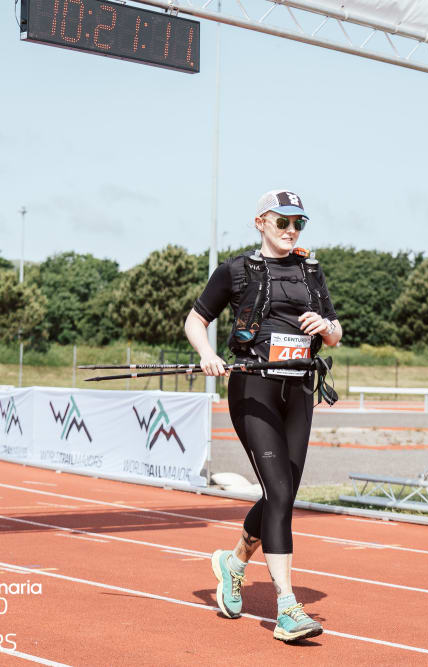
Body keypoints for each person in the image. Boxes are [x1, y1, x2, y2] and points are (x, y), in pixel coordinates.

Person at [184, 189, 342, 643]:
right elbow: (196, 320)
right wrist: (207, 355)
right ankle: (287, 607)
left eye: (299, 224)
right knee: (279, 492)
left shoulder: (311, 270)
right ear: (260, 223)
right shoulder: (236, 270)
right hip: (254, 389)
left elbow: (335, 332)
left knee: (283, 495)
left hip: (300, 389)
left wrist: (326, 327)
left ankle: (234, 563)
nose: (291, 231)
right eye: (282, 222)